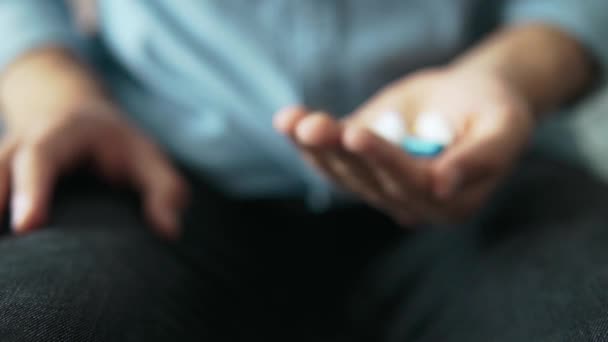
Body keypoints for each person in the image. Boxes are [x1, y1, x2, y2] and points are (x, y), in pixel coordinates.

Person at [0, 1, 607, 341]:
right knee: (40, 317)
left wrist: (510, 76)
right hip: (156, 168)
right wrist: (56, 94)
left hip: (483, 167)